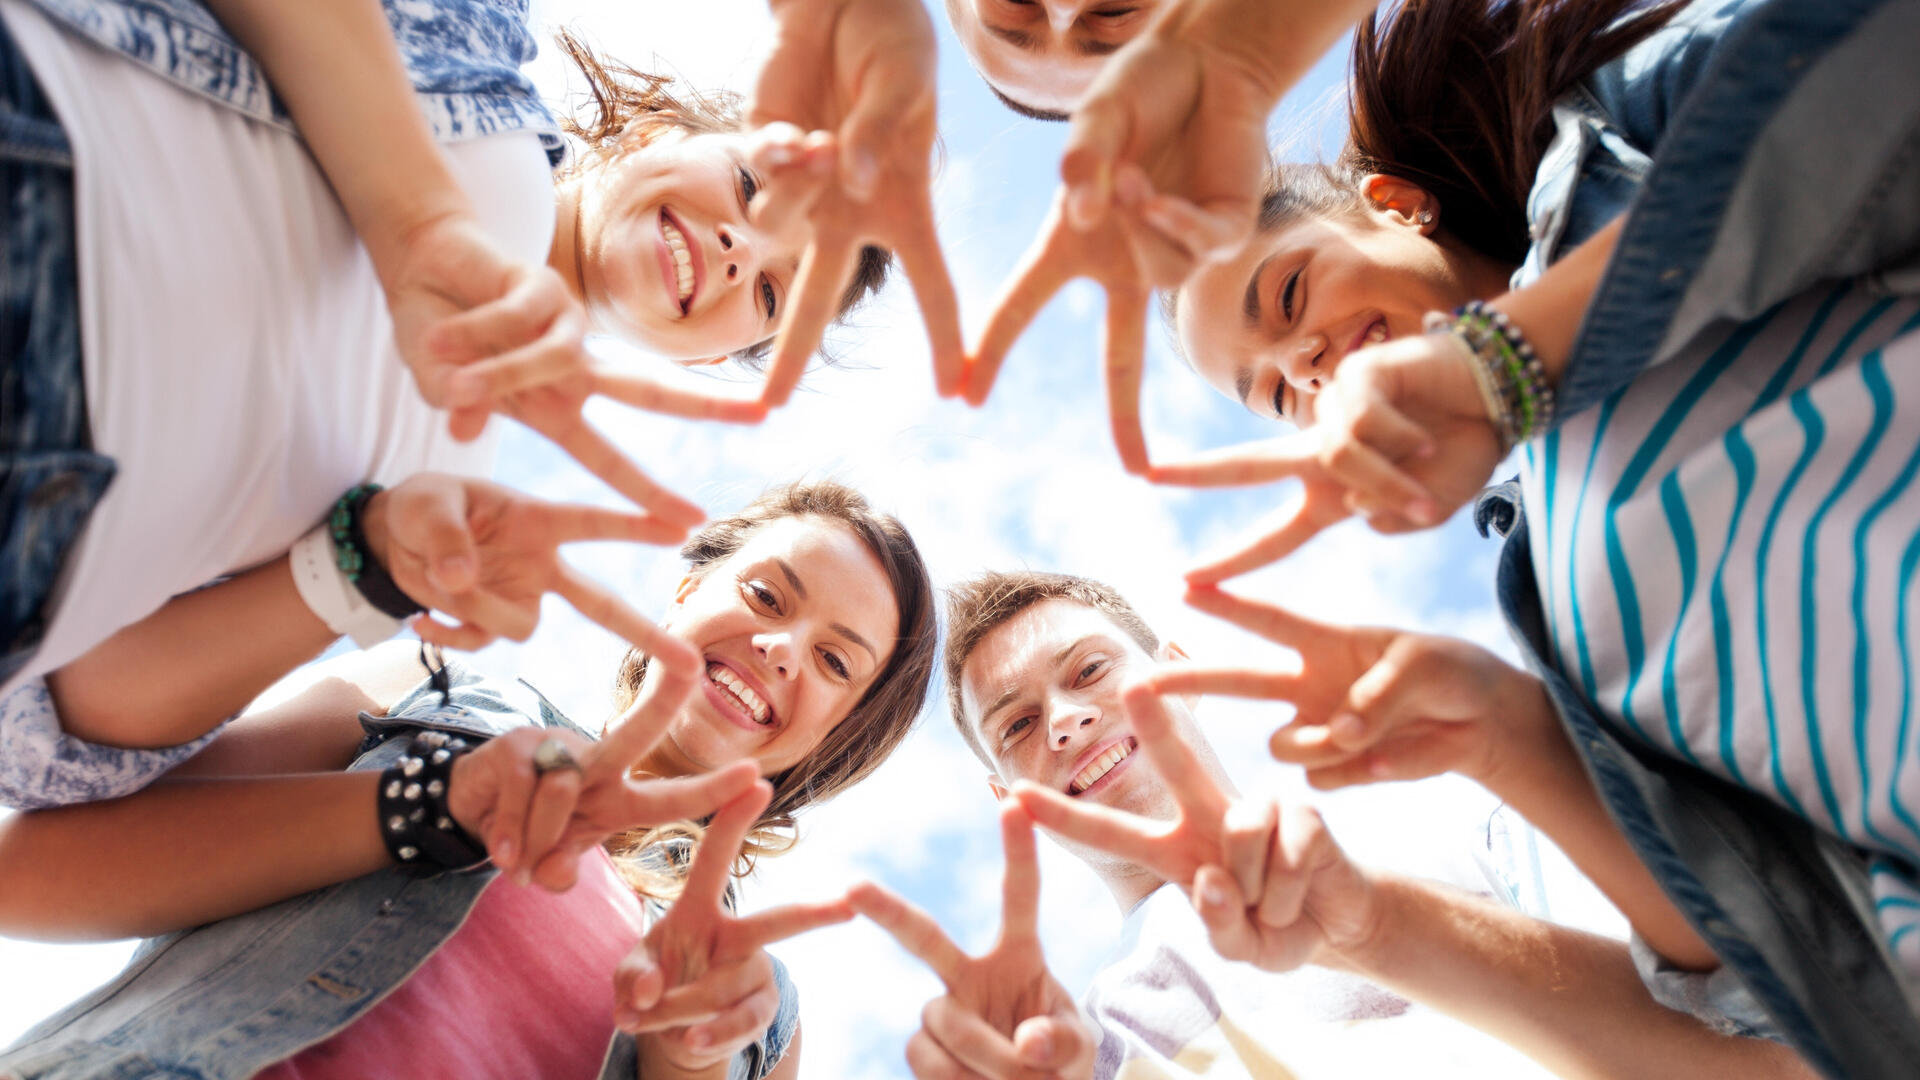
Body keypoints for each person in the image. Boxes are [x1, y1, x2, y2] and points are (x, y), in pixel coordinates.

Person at [1140, 0, 1920, 1070]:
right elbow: (1771, 983)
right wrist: (1498, 729)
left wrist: (1507, 361)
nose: (1308, 367)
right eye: (1277, 394)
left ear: (1396, 206)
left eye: (1289, 295)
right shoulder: (1549, 597)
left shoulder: (1608, 157)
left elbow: (1877, 70)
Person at [0, 480, 939, 1079]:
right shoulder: (441, 693)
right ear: (689, 590)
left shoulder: (760, 1014)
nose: (780, 649)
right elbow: (32, 872)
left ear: (837, 737)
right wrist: (423, 811)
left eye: (835, 663)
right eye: (768, 596)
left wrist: (684, 1059)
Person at [850, 569, 1811, 1079]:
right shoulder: (1085, 1047)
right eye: (1016, 726)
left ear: (1175, 668)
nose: (1063, 720)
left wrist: (1376, 931)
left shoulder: (1454, 826)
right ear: (1004, 796)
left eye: (1090, 670)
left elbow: (1770, 1063)